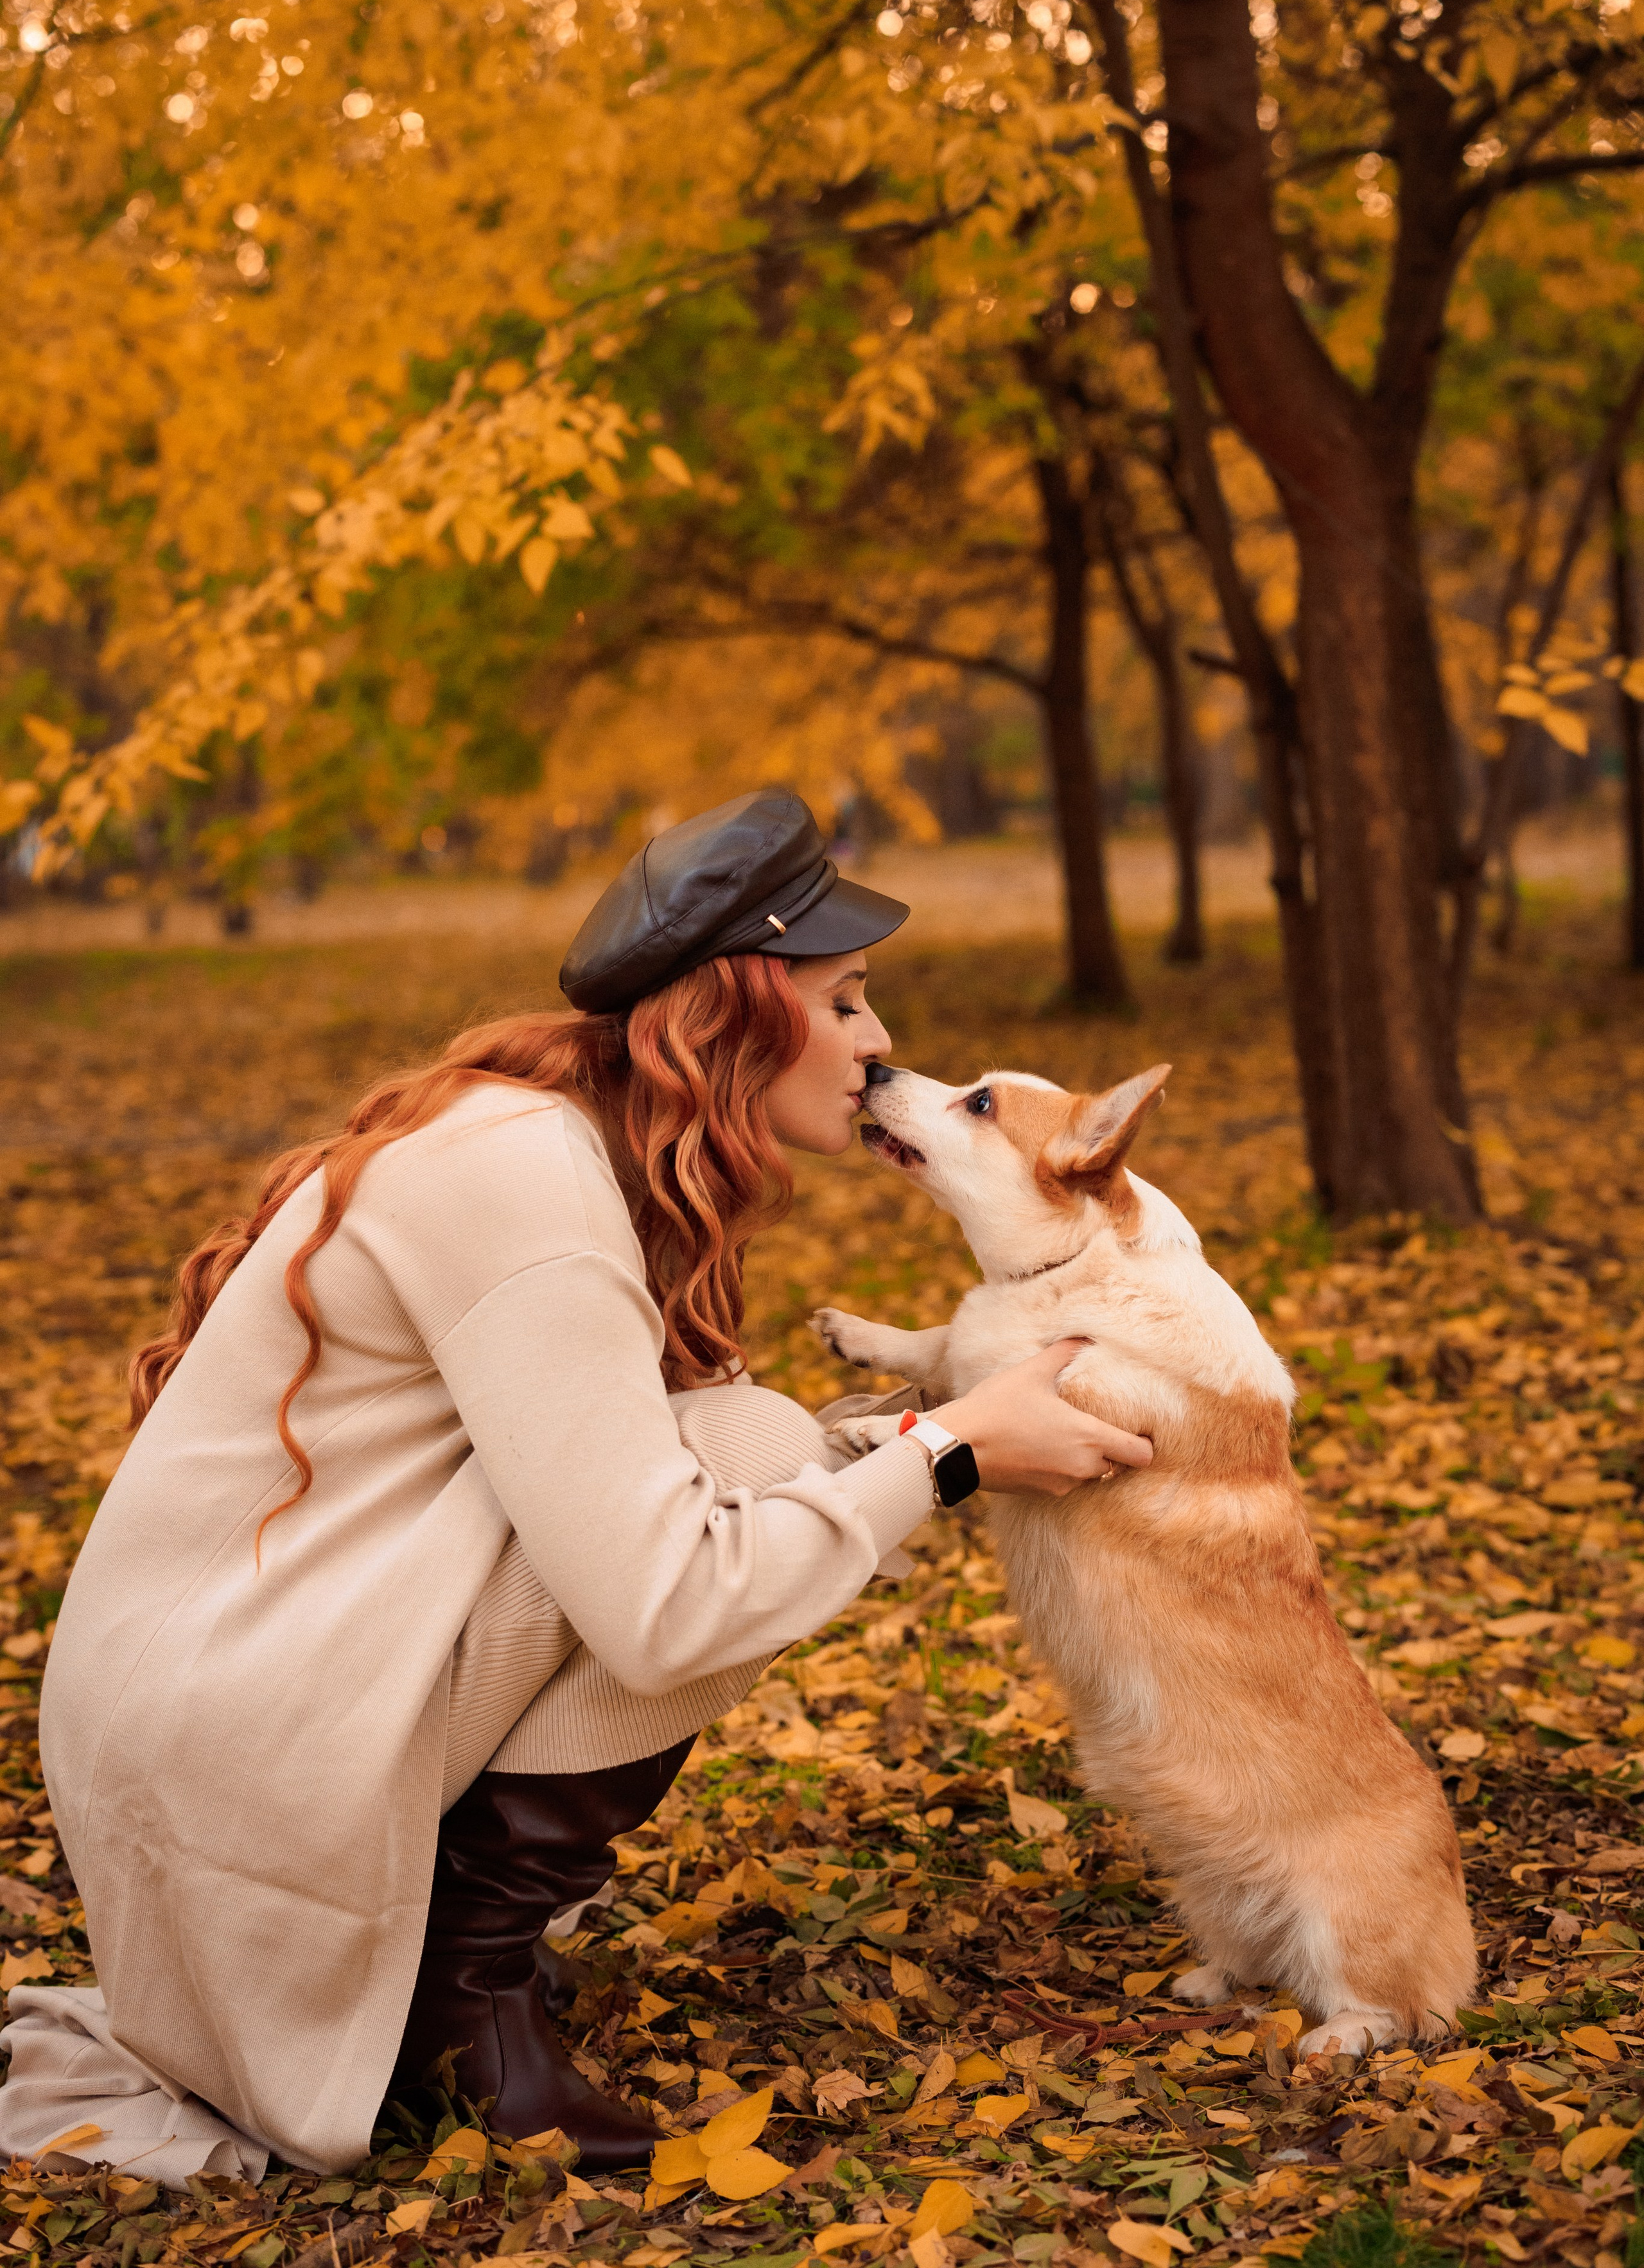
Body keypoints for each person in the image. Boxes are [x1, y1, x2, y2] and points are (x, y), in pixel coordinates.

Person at [3, 791, 1151, 2186]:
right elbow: (665, 1604)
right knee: (759, 1457)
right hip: (231, 1737)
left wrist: (921, 1446)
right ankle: (456, 1998)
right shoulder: (527, 1176)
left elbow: (631, 1496)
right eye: (844, 999)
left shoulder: (559, 1138)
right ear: (736, 1007)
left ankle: (457, 1955)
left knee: (752, 1445)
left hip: (245, 1674)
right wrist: (948, 1449)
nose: (876, 1039)